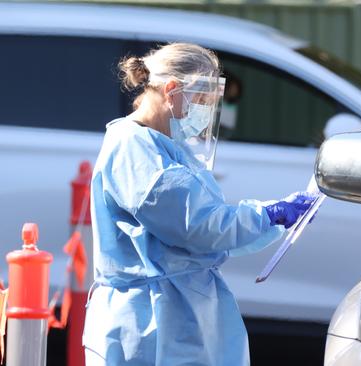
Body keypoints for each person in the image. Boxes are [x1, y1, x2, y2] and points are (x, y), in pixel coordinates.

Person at [83, 43, 316, 365]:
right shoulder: (135, 149)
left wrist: (273, 217)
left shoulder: (165, 145)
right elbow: (199, 227)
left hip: (176, 312)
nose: (205, 112)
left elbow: (205, 229)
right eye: (203, 101)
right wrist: (269, 215)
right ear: (172, 90)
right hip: (153, 320)